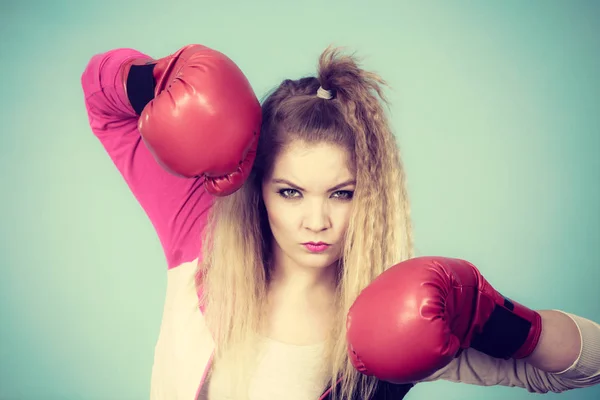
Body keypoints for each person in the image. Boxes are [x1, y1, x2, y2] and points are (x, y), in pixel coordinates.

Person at [81, 43, 600, 400]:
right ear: (257, 187)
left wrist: (502, 320)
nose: (317, 220)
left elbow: (584, 366)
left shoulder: (395, 322)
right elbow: (100, 95)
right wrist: (162, 81)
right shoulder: (199, 236)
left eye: (341, 194)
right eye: (290, 192)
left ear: (368, 195)